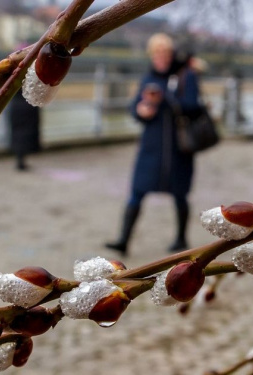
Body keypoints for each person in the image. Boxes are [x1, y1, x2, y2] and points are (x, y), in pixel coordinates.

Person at [105, 33, 202, 256]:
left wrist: (165, 97)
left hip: (179, 148)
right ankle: (123, 240)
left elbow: (193, 107)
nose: (161, 57)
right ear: (151, 55)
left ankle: (180, 238)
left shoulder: (186, 75)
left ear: (171, 54)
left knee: (180, 194)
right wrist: (141, 111)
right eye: (156, 53)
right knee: (137, 192)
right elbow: (134, 108)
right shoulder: (148, 77)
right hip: (151, 147)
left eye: (165, 52)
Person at [7, 89, 42, 171]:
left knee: (18, 133)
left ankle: (20, 159)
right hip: (28, 106)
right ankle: (21, 159)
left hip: (16, 107)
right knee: (25, 133)